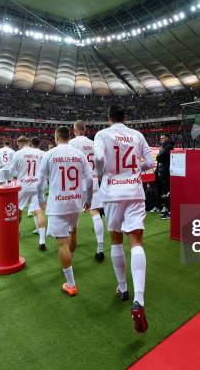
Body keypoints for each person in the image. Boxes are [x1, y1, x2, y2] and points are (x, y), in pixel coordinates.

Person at [93, 105, 156, 333]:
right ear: (125, 117)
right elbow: (150, 163)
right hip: (134, 192)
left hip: (111, 193)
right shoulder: (137, 135)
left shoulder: (102, 134)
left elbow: (99, 157)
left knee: (116, 240)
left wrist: (103, 174)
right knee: (136, 242)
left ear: (109, 117)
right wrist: (135, 167)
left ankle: (122, 288)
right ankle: (139, 300)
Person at [37, 126, 92, 296]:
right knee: (73, 231)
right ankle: (70, 260)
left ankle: (71, 283)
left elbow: (40, 181)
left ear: (56, 137)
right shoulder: (79, 154)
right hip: (75, 201)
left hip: (58, 204)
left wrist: (40, 199)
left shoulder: (50, 154)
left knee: (62, 243)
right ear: (69, 137)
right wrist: (88, 199)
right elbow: (89, 180)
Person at [69, 120, 105, 261]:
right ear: (85, 129)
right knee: (95, 214)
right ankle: (100, 248)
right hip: (93, 180)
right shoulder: (93, 144)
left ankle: (70, 252)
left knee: (73, 217)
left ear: (74, 130)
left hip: (76, 183)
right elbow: (101, 161)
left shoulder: (71, 144)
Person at [10, 136, 47, 250]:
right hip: (37, 185)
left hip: (23, 186)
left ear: (19, 143)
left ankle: (16, 232)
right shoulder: (39, 153)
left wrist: (19, 173)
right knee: (39, 211)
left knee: (18, 210)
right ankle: (42, 241)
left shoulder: (18, 153)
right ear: (29, 142)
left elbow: (12, 171)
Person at [155, 133, 173, 220]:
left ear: (168, 138)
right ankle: (166, 209)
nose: (161, 139)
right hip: (162, 172)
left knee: (167, 192)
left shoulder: (169, 146)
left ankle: (170, 211)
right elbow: (159, 159)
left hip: (166, 173)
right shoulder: (163, 147)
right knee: (164, 192)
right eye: (160, 138)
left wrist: (159, 157)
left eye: (163, 138)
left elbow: (159, 157)